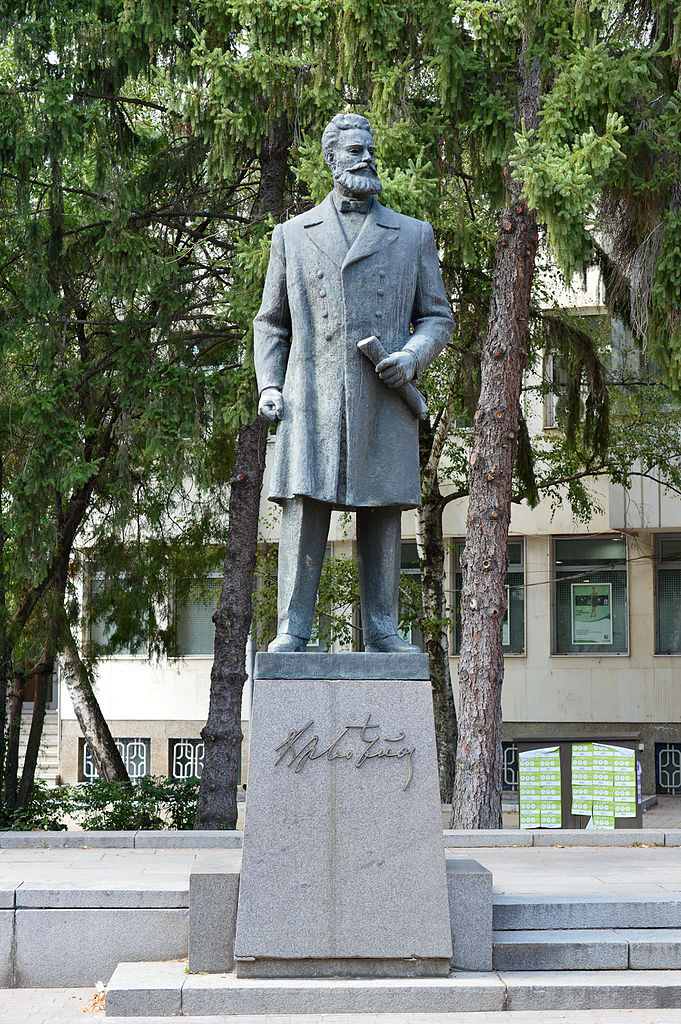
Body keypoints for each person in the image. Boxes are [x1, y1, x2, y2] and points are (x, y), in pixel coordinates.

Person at [255, 112, 453, 653]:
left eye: (370, 149)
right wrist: (269, 386)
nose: (365, 158)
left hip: (381, 398)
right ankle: (293, 629)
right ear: (331, 160)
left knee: (382, 511)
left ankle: (384, 629)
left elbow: (437, 317)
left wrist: (411, 359)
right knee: (304, 506)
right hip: (310, 400)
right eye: (354, 151)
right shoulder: (291, 236)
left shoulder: (411, 234)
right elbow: (272, 321)